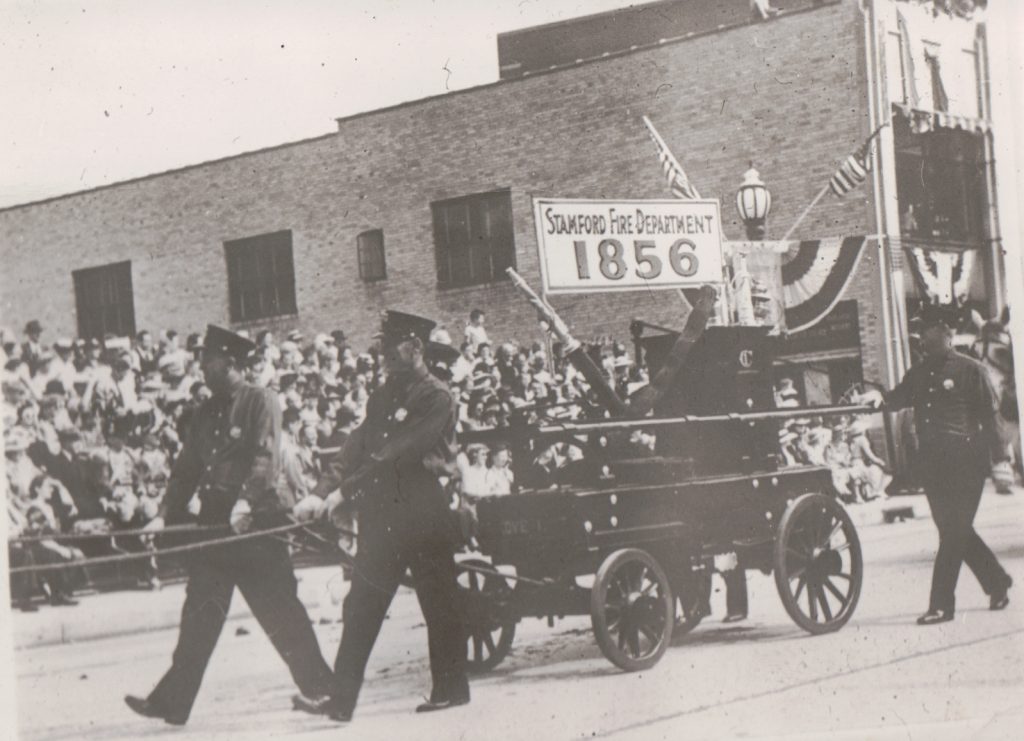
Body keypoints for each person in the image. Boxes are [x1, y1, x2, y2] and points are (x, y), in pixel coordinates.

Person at [124, 325, 333, 726]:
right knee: (199, 614)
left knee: (280, 612)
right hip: (216, 520)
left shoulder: (261, 400)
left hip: (255, 520)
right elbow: (186, 470)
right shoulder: (203, 412)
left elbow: (265, 457)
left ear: (231, 363)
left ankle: (322, 687)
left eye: (208, 359)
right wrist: (163, 514)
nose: (201, 366)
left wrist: (245, 502)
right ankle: (172, 702)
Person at [293, 310, 468, 723]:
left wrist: (341, 493)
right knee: (362, 605)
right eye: (383, 348)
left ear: (416, 347)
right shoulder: (385, 395)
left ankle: (451, 689)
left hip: (423, 507)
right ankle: (340, 700)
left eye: (392, 348)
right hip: (385, 512)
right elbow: (356, 446)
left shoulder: (436, 397)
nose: (384, 355)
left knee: (438, 603)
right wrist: (320, 492)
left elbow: (396, 455)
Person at [857, 309, 1013, 625]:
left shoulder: (972, 370)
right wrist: (879, 397)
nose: (921, 337)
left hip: (966, 463)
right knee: (954, 530)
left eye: (926, 330)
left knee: (953, 532)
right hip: (934, 466)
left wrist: (1001, 463)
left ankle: (942, 605)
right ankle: (996, 581)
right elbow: (897, 398)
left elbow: (991, 416)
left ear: (946, 333)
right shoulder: (919, 373)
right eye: (919, 331)